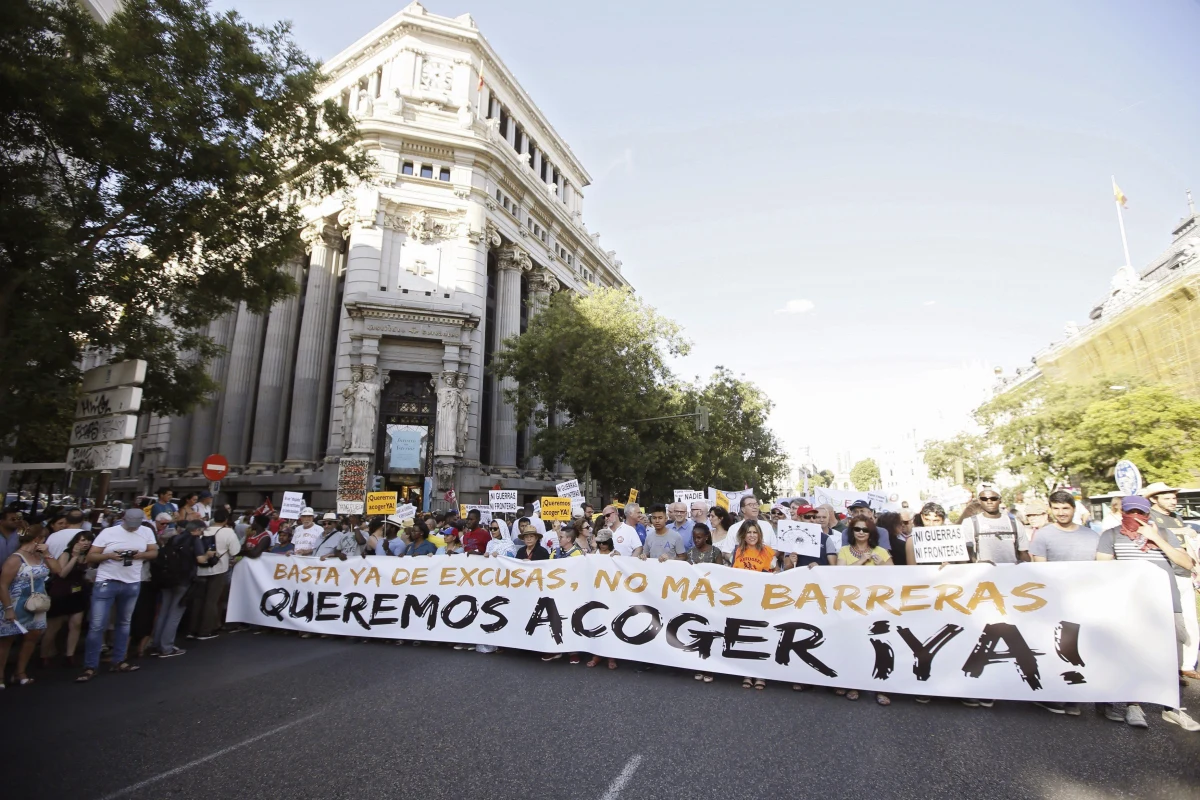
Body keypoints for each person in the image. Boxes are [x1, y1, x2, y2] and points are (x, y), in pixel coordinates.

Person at [1097, 495, 1199, 731]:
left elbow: (1187, 563)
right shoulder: (1110, 535)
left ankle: (1171, 708)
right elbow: (1101, 569)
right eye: (1130, 512)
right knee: (1133, 654)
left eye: (1141, 513)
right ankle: (1134, 705)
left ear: (1148, 514)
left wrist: (1155, 539)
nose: (1136, 518)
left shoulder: (1163, 533)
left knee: (1168, 656)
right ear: (1123, 512)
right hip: (1130, 606)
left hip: (1166, 603)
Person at [1026, 490, 1099, 716]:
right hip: (1056, 601)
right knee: (1057, 648)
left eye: (1065, 508)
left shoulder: (1091, 536)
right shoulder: (1043, 536)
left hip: (1085, 598)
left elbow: (1102, 568)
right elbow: (1040, 570)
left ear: (1073, 509)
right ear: (1051, 510)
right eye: (1056, 509)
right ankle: (1059, 695)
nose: (1061, 513)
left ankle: (1076, 695)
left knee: (1081, 648)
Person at [78, 509, 158, 682]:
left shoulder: (146, 531)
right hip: (107, 581)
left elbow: (154, 552)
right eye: (131, 523)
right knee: (97, 625)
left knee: (124, 623)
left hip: (132, 582)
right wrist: (109, 556)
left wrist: (141, 555)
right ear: (124, 519)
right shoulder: (109, 532)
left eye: (137, 523)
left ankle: (119, 660)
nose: (134, 526)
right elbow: (90, 556)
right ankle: (90, 665)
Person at [1142, 483, 1200, 681]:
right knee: (1168, 624)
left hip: (1184, 573)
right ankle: (1168, 668)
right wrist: (1182, 531)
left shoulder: (1176, 518)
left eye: (1174, 497)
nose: (1173, 501)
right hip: (1165, 575)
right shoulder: (1150, 517)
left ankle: (1187, 664)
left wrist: (1195, 568)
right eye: (1167, 498)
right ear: (1154, 499)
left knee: (1190, 621)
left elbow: (1185, 547)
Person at [834, 516, 893, 704]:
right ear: (851, 532)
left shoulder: (881, 551)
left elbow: (897, 575)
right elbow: (838, 574)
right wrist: (861, 561)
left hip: (877, 605)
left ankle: (881, 687)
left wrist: (880, 563)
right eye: (857, 529)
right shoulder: (844, 550)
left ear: (871, 533)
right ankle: (854, 684)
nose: (861, 532)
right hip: (852, 605)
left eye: (865, 530)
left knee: (879, 645)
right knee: (855, 645)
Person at [0, 524, 67, 686]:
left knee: (32, 636)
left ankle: (20, 672)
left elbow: (58, 570)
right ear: (37, 539)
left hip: (37, 602)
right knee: (7, 639)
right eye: (44, 539)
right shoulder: (15, 559)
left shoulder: (41, 556)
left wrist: (47, 553)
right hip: (15, 602)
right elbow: (2, 584)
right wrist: (8, 608)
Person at [151, 519, 207, 658]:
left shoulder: (175, 538)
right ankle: (167, 647)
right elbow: (201, 559)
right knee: (175, 613)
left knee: (164, 611)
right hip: (183, 579)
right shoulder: (195, 540)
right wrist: (208, 555)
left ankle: (156, 643)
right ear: (197, 530)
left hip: (167, 578)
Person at [730, 520, 775, 690]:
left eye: (755, 532)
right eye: (748, 532)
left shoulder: (768, 552)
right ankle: (747, 673)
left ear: (760, 534)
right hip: (743, 598)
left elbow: (773, 574)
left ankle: (761, 674)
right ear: (743, 534)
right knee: (745, 635)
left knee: (761, 634)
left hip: (762, 599)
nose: (752, 535)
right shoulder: (738, 551)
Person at [41, 529, 93, 668]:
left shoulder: (87, 556)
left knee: (76, 623)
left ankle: (70, 654)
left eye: (88, 540)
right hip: (61, 591)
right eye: (83, 540)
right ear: (76, 541)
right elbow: (62, 573)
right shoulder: (66, 554)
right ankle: (44, 654)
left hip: (78, 592)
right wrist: (75, 557)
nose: (86, 543)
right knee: (54, 625)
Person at [187, 508, 241, 641]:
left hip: (200, 568)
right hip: (218, 569)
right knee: (211, 600)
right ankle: (206, 630)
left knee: (198, 600)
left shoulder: (203, 530)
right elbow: (235, 551)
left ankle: (192, 629)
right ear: (226, 519)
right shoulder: (228, 531)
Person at [963, 486, 1029, 564]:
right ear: (979, 501)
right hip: (984, 574)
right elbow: (966, 553)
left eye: (993, 498)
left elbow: (1023, 553)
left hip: (1010, 573)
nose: (989, 501)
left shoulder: (1015, 523)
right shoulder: (970, 523)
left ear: (1000, 500)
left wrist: (1023, 565)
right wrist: (977, 562)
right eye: (984, 499)